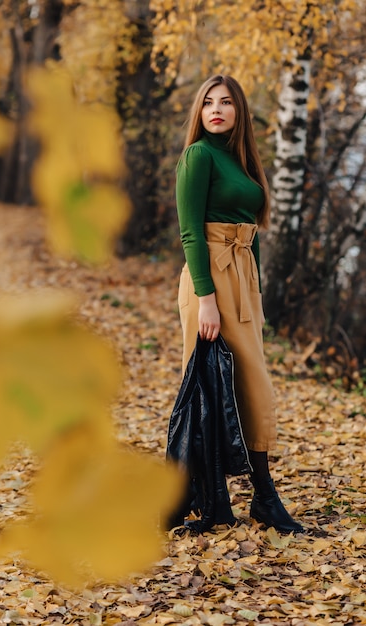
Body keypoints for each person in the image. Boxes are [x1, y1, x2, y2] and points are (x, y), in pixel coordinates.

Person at [174, 74, 303, 534]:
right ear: (199, 111)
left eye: (226, 102)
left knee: (251, 387)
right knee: (210, 388)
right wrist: (207, 300)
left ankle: (260, 498)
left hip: (243, 277)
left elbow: (252, 233)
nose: (216, 109)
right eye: (208, 102)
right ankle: (231, 498)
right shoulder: (198, 156)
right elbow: (190, 231)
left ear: (238, 111)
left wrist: (258, 295)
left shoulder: (244, 163)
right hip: (210, 279)